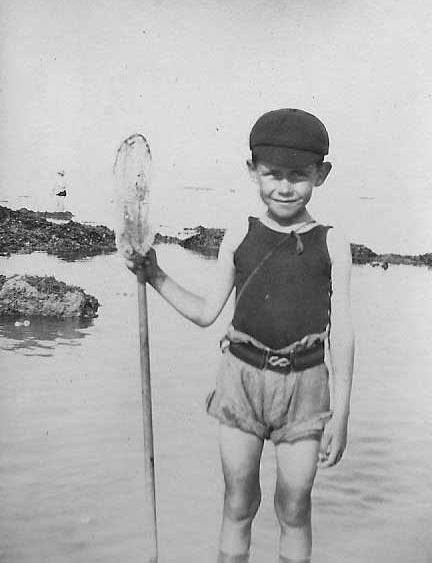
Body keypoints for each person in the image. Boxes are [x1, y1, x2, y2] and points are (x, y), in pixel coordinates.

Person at [126, 108, 355, 563]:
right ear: (253, 171)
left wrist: (342, 413)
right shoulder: (240, 234)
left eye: (298, 175)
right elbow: (206, 312)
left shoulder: (332, 243)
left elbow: (343, 333)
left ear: (321, 174)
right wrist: (155, 275)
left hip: (306, 389)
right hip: (241, 382)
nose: (284, 187)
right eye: (272, 174)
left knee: (295, 507)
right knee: (238, 502)